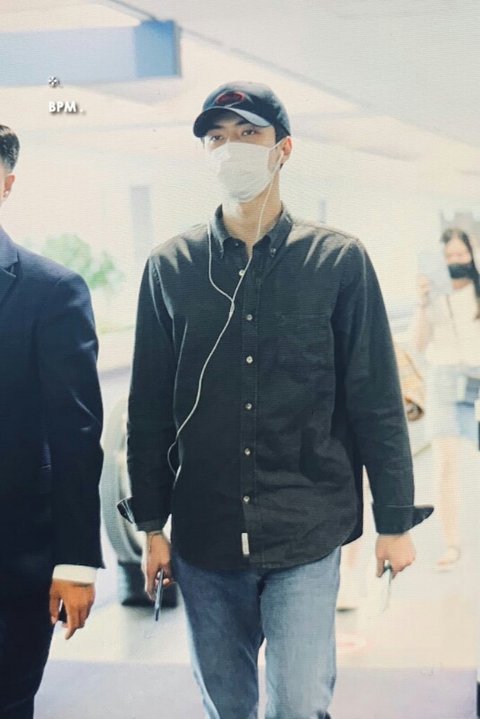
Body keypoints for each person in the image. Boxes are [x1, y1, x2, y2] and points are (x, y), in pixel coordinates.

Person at [125, 82, 433, 719]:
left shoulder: (337, 262)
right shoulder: (170, 268)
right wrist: (151, 526)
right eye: (217, 137)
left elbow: (375, 399)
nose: (230, 148)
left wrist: (395, 521)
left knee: (298, 703)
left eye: (248, 134)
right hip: (205, 536)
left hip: (306, 529)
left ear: (283, 149)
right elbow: (148, 409)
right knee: (227, 705)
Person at [0, 125, 104, 718]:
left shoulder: (51, 291)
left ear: (7, 185)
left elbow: (76, 437)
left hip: (12, 564)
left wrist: (75, 561)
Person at [413, 227, 480, 570]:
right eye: (449, 255)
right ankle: (451, 543)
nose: (456, 260)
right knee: (445, 466)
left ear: (471, 255)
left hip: (477, 378)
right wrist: (423, 303)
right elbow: (418, 343)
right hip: (444, 380)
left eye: (461, 254)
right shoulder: (433, 295)